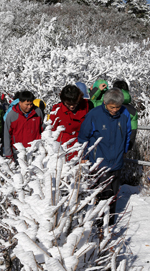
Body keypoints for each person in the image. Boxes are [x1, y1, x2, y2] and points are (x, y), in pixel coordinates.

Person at [78, 88, 132, 224]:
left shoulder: (124, 115)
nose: (115, 110)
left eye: (118, 107)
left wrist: (124, 150)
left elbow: (128, 134)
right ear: (105, 103)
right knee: (101, 193)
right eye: (112, 107)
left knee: (113, 193)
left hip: (117, 160)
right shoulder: (94, 115)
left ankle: (110, 220)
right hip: (99, 161)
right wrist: (84, 155)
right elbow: (83, 137)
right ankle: (98, 222)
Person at [50, 85, 92, 160]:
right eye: (68, 104)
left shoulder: (86, 105)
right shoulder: (57, 109)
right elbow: (52, 130)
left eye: (75, 103)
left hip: (82, 145)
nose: (72, 107)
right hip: (64, 147)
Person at [4, 91, 44, 159]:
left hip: (35, 151)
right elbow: (7, 134)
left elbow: (42, 129)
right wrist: (8, 153)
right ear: (20, 103)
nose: (29, 107)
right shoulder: (11, 115)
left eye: (31, 104)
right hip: (19, 152)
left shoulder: (38, 112)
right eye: (27, 104)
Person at [112, 80, 138, 151]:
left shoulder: (108, 106)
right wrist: (128, 147)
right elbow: (133, 130)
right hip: (122, 146)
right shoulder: (133, 111)